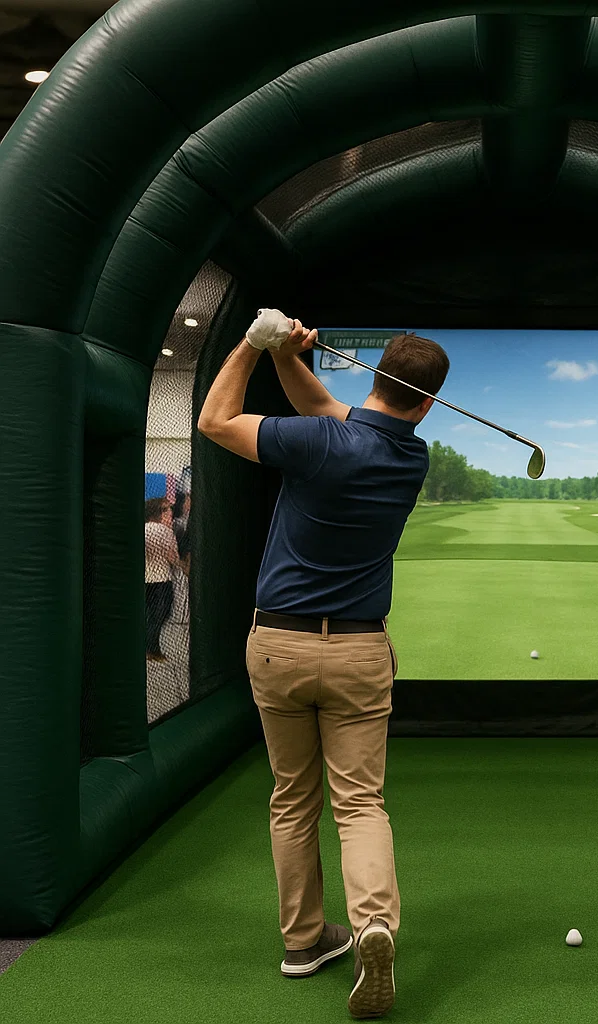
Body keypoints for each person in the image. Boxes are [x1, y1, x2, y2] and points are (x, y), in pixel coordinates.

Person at [198, 313, 448, 1021]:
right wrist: (289, 357)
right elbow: (328, 410)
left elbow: (215, 421)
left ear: (375, 376)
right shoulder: (410, 456)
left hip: (277, 646)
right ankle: (373, 925)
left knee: (291, 797)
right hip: (360, 652)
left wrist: (254, 344)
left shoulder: (318, 443)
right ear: (427, 404)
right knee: (359, 804)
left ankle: (304, 941)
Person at [144, 497, 180, 662]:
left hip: (146, 579)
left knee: (149, 614)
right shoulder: (166, 531)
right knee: (160, 615)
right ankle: (152, 649)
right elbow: (173, 558)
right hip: (162, 580)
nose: (170, 512)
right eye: (166, 509)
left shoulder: (143, 530)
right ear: (159, 512)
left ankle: (147, 647)